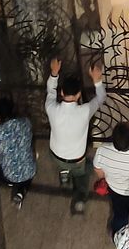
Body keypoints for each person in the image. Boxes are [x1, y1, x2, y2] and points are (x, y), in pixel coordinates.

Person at [45, 57, 105, 214]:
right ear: (79, 95)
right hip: (77, 159)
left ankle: (64, 173)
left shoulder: (51, 108)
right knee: (83, 174)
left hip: (55, 155)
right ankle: (79, 198)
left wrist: (54, 73)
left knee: (63, 159)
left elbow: (50, 91)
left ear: (62, 92)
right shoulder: (84, 111)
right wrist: (97, 80)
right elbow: (100, 98)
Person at [0, 96, 35, 208]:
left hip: (9, 176)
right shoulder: (26, 122)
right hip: (30, 170)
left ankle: (13, 184)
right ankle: (21, 190)